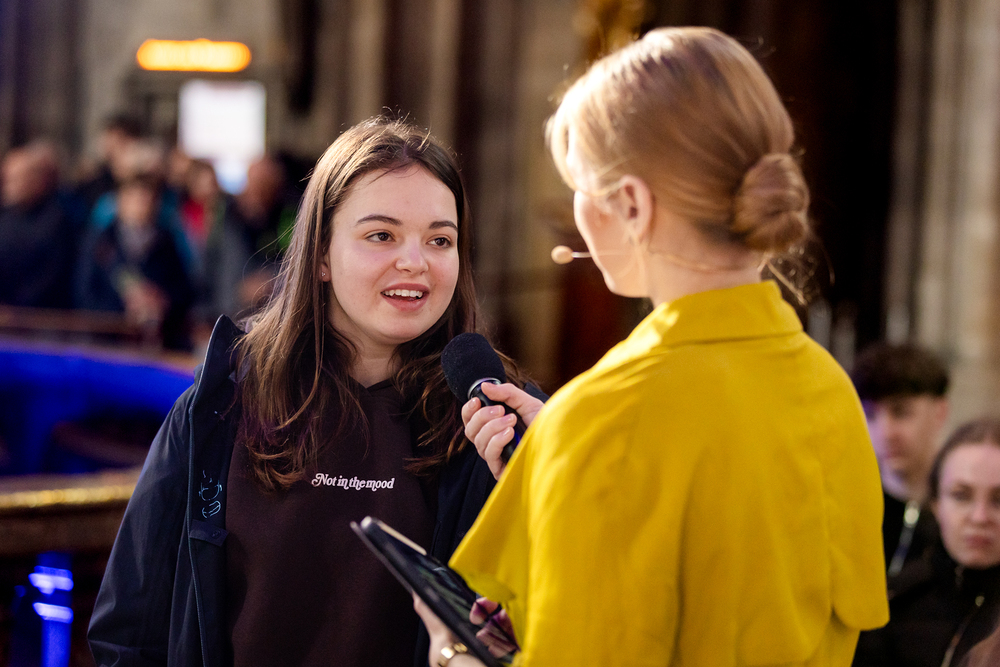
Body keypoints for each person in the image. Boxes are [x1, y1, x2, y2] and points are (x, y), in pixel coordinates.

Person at [416, 26, 888, 666]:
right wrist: (557, 459)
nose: (575, 211)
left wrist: (454, 655)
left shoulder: (604, 422)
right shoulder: (831, 389)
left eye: (580, 185)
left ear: (633, 205)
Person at [87, 117, 532, 667]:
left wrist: (549, 475)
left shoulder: (496, 421)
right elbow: (130, 629)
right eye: (381, 235)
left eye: (440, 239)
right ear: (321, 254)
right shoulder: (224, 404)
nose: (415, 262)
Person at [852, 418, 1000, 667]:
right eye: (961, 496)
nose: (979, 517)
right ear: (936, 504)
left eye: (999, 500)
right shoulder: (892, 602)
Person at [851, 342, 951, 576]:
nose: (886, 433)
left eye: (901, 412)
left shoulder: (964, 508)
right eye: (870, 415)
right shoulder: (852, 505)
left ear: (940, 412)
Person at [75, 173, 194, 349]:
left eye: (147, 199)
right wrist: (124, 309)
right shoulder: (101, 242)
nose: (141, 205)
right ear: (120, 201)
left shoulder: (166, 243)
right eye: (135, 198)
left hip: (156, 342)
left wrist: (162, 301)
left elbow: (184, 290)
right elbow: (85, 293)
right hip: (107, 341)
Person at [0, 141, 77, 309]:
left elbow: (50, 275)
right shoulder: (5, 216)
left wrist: (14, 305)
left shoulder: (56, 221)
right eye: (6, 178)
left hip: (37, 315)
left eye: (15, 178)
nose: (7, 185)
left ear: (37, 180)